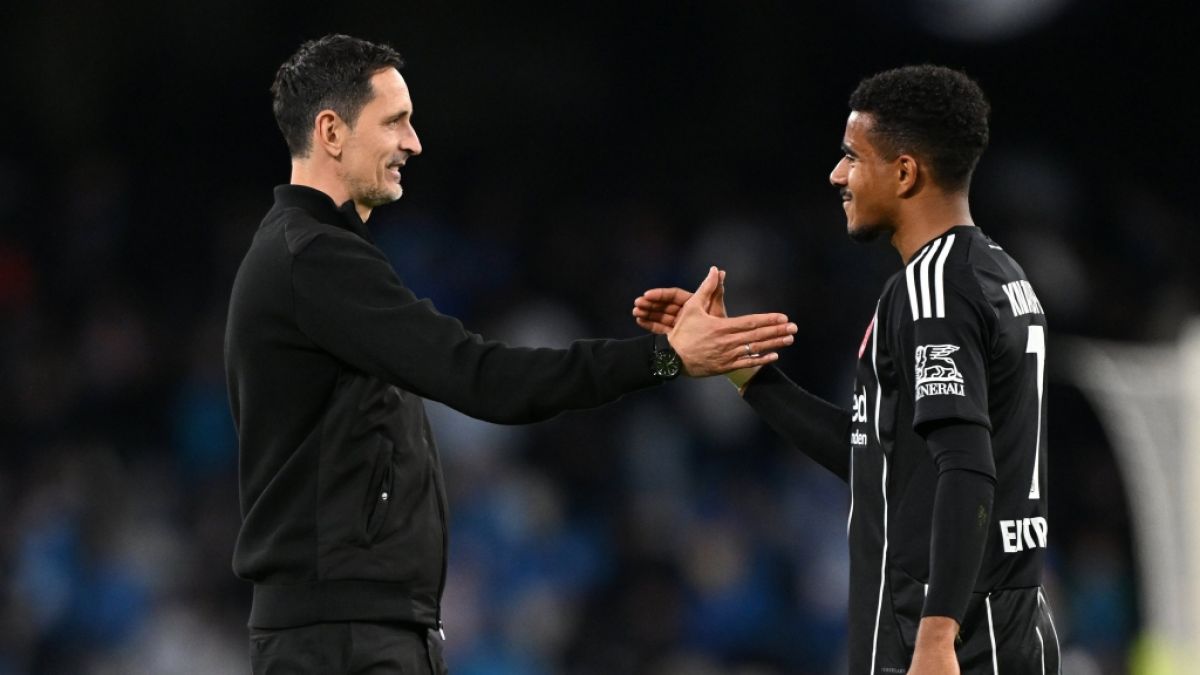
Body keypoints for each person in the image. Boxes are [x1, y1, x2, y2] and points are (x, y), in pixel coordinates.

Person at [224, 34, 798, 675]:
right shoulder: (315, 259)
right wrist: (664, 357)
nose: (413, 143)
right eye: (395, 122)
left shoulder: (308, 258)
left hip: (353, 627)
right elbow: (486, 379)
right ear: (331, 131)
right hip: (341, 636)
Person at [634, 65, 1060, 674]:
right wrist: (741, 366)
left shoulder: (934, 291)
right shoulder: (1001, 275)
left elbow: (967, 467)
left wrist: (936, 640)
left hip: (958, 643)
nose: (837, 175)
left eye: (853, 158)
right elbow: (876, 460)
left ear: (905, 171)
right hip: (1005, 629)